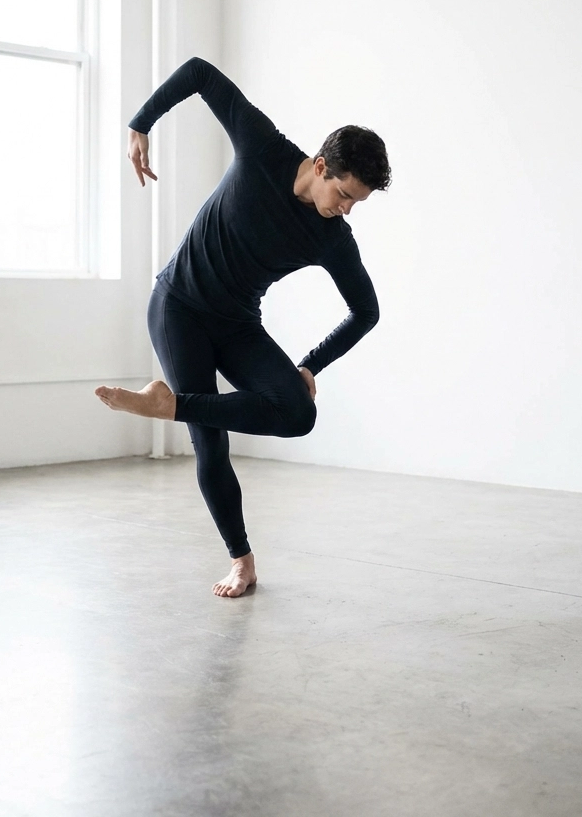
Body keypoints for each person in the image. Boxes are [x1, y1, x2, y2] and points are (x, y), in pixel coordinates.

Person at [96, 57, 390, 597]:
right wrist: (141, 123)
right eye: (345, 195)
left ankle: (169, 405)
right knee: (212, 447)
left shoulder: (332, 238)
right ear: (321, 167)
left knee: (299, 413)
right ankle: (242, 561)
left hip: (236, 322)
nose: (346, 210)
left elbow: (365, 311)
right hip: (178, 307)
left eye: (357, 203)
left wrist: (308, 365)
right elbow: (201, 73)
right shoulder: (262, 147)